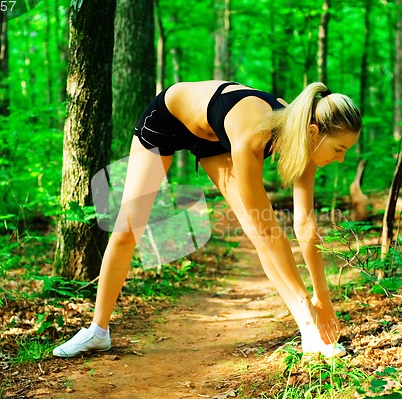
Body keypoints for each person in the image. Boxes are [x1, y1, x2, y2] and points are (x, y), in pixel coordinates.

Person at [53, 80, 362, 358]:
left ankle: (309, 333)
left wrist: (324, 299)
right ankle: (97, 331)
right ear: (314, 133)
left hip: (213, 136)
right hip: (169, 118)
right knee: (127, 229)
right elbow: (267, 229)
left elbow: (306, 226)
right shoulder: (252, 136)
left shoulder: (302, 137)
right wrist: (309, 301)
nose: (341, 158)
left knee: (257, 234)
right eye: (339, 148)